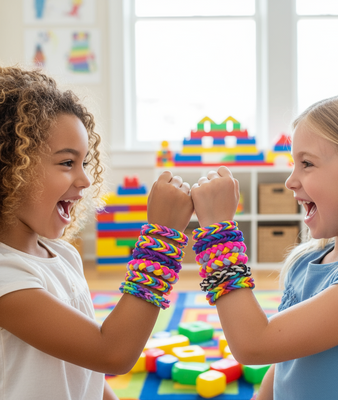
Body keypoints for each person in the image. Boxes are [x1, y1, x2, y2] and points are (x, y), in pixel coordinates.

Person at [0, 66, 194, 400]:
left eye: (85, 163)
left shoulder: (62, 254)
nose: (86, 180)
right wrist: (162, 238)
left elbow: (85, 362)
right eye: (66, 163)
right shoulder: (7, 275)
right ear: (10, 168)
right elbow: (111, 352)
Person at [191, 93, 338, 399]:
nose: (290, 181)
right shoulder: (308, 261)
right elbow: (285, 358)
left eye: (307, 164)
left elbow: (254, 343)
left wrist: (218, 236)